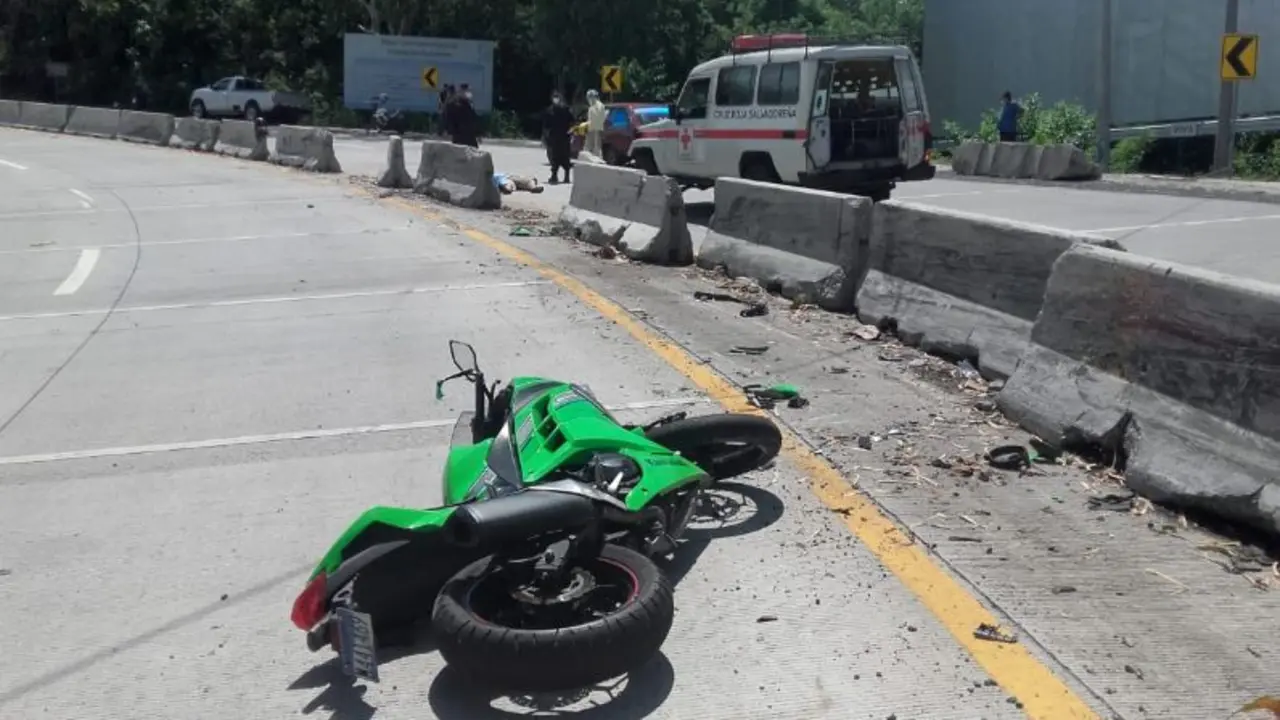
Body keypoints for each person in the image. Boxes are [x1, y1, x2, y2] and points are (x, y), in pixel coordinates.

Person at [542, 91, 574, 183]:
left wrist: (571, 131)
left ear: (560, 98)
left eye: (557, 97)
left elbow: (572, 121)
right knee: (554, 157)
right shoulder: (549, 110)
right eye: (554, 97)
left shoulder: (565, 109)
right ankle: (554, 176)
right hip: (553, 138)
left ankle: (566, 177)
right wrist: (545, 136)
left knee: (565, 157)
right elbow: (546, 125)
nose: (555, 99)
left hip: (564, 137)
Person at [585, 89, 606, 157]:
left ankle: (597, 161)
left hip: (595, 129)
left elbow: (598, 119)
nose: (588, 100)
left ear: (592, 97)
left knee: (595, 148)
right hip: (593, 129)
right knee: (593, 147)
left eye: (588, 98)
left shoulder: (598, 106)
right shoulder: (593, 106)